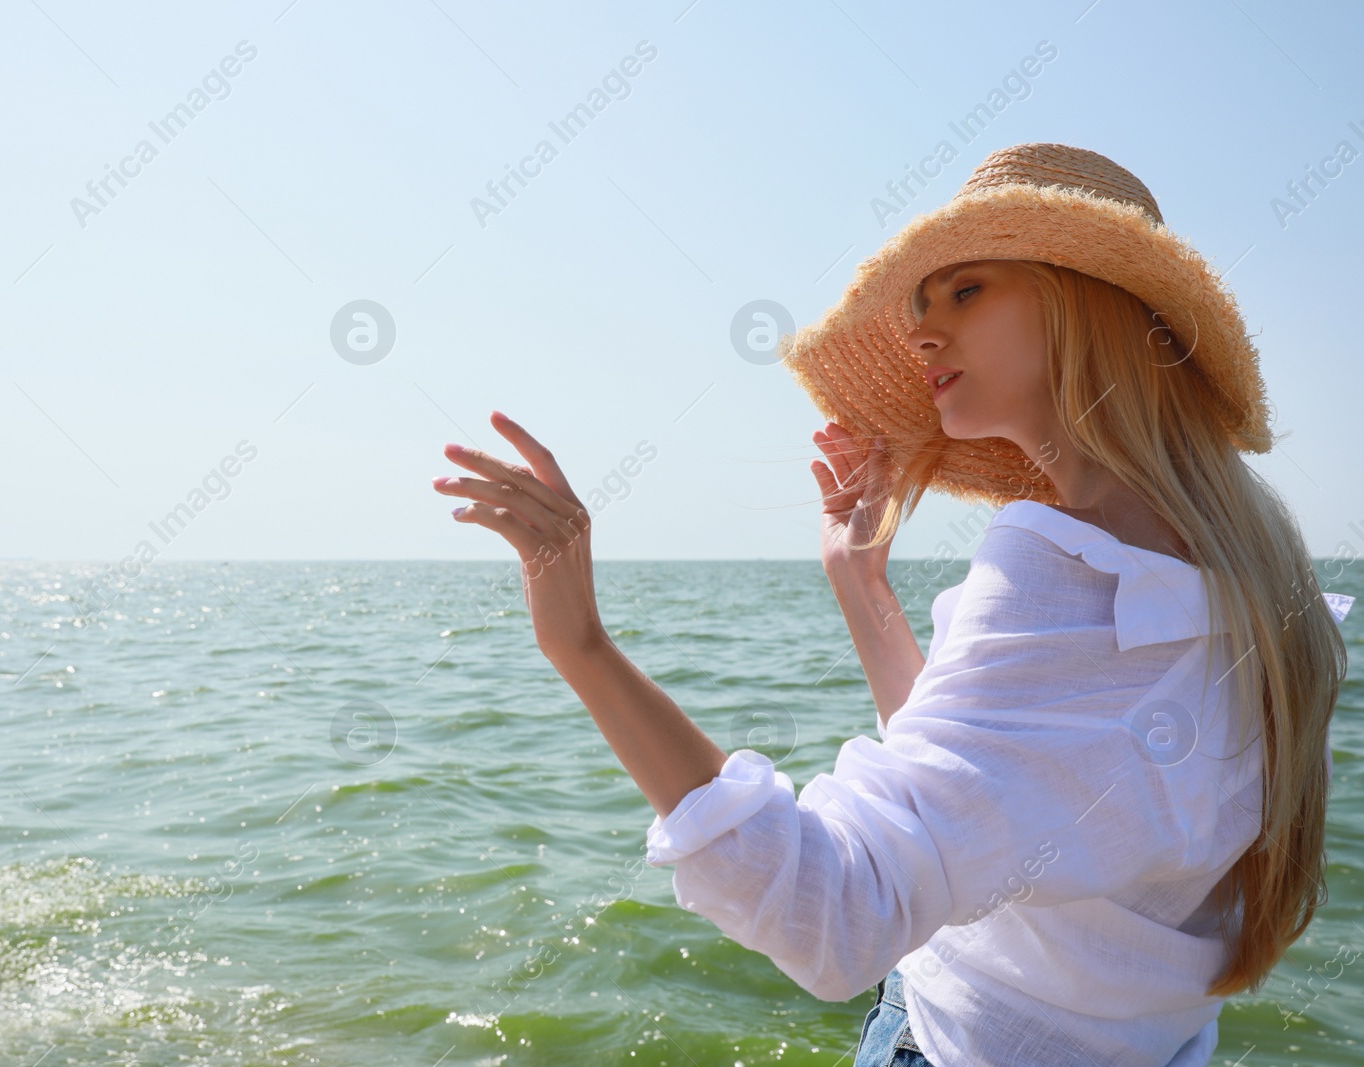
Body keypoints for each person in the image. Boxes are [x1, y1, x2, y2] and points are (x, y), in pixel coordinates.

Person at [430, 143, 1353, 1066]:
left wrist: (580, 642)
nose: (921, 332)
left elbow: (836, 913)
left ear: (1088, 302)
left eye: (965, 290)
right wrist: (861, 581)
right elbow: (995, 798)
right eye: (919, 306)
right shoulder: (1262, 594)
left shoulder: (1057, 570)